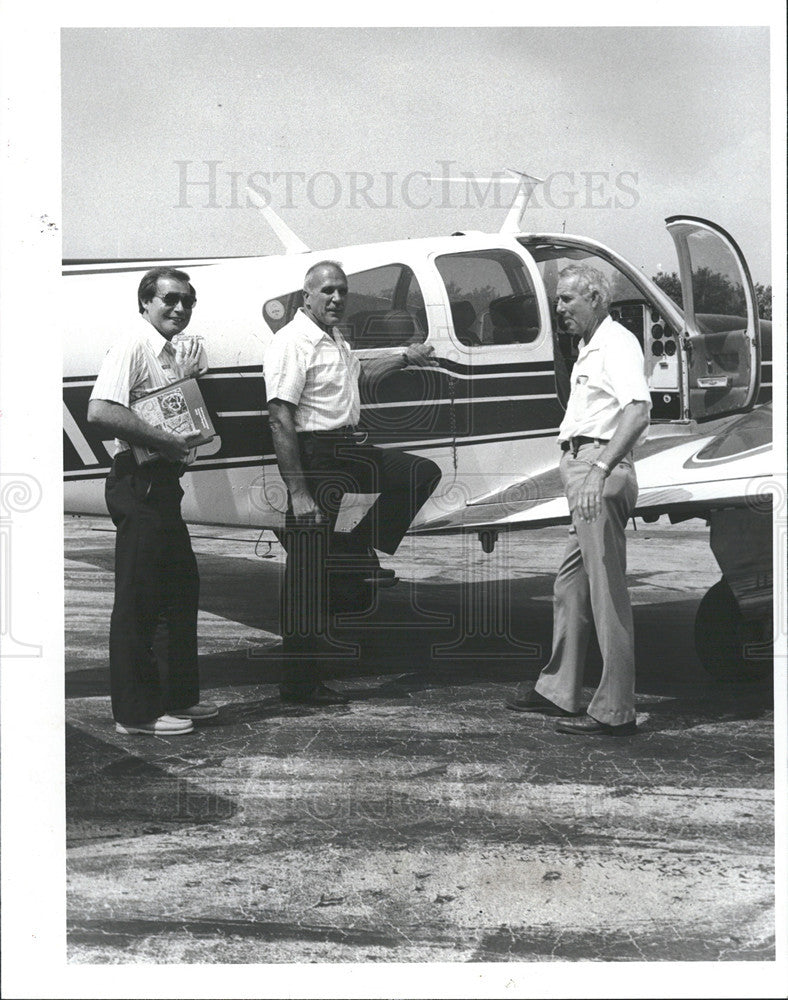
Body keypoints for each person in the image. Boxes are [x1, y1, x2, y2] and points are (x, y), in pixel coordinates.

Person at [264, 260, 442, 706]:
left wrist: (406, 356)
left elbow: (359, 377)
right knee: (305, 576)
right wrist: (299, 492)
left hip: (349, 450)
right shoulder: (293, 342)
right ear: (306, 296)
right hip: (316, 457)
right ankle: (299, 685)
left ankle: (349, 549)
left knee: (421, 473)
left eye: (342, 290)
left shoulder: (335, 339)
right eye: (326, 291)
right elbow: (280, 418)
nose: (336, 298)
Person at [507, 263, 651, 736]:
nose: (559, 308)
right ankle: (559, 690)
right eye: (558, 300)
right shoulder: (591, 346)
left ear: (594, 297)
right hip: (583, 469)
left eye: (567, 299)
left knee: (606, 592)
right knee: (570, 586)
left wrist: (600, 469)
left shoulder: (617, 343)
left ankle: (615, 711)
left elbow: (638, 410)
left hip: (598, 472)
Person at [87, 266, 218, 735]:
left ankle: (177, 697)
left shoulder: (168, 353)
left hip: (163, 485)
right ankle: (136, 714)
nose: (179, 308)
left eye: (187, 301)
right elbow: (100, 410)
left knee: (180, 590)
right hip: (138, 482)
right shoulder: (134, 344)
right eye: (169, 300)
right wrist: (164, 439)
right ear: (145, 303)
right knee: (140, 601)